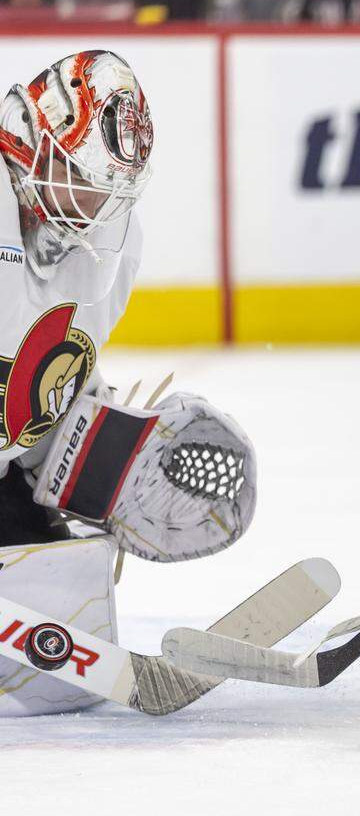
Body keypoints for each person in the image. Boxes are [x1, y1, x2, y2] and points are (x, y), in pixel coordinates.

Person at [0, 50, 257, 717]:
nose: (94, 207)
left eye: (111, 191)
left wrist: (96, 452)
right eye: (84, 181)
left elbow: (42, 381)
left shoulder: (106, 240)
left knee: (56, 589)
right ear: (35, 141)